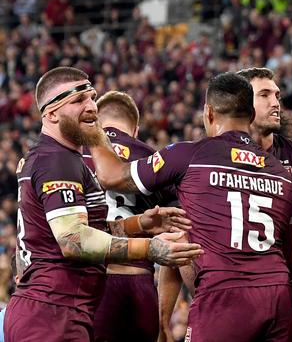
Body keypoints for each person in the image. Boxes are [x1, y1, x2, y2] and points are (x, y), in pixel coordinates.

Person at [87, 72, 292, 342]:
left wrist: (93, 131)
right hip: (277, 295)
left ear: (209, 113)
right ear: (250, 116)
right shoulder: (282, 172)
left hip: (223, 295)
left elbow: (110, 175)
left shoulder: (189, 155)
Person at [4, 67, 203, 342]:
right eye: (77, 101)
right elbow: (73, 240)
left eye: (91, 97)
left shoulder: (62, 158)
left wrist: (139, 224)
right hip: (53, 312)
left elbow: (83, 229)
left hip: (58, 309)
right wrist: (149, 247)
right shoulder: (57, 160)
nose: (91, 107)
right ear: (50, 114)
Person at [157, 67, 292, 342]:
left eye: (277, 95)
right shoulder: (206, 161)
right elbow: (178, 239)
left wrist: (268, 261)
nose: (276, 102)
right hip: (227, 295)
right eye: (264, 95)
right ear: (243, 104)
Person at [84, 91, 179, 342]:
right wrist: (164, 319)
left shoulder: (75, 154)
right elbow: (179, 236)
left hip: (95, 283)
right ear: (135, 130)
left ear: (95, 122)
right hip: (141, 286)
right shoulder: (157, 161)